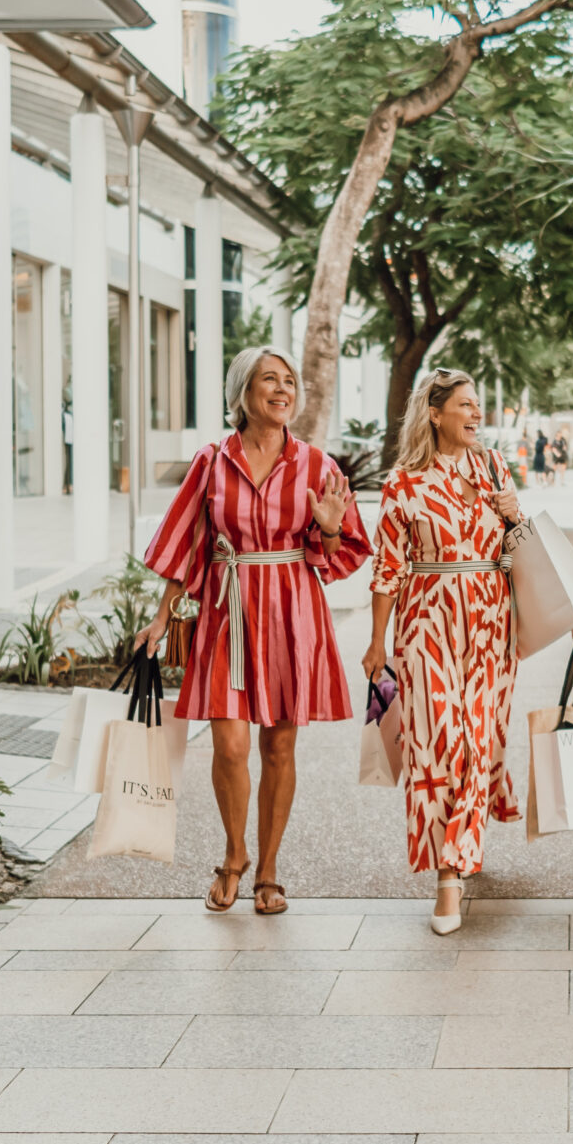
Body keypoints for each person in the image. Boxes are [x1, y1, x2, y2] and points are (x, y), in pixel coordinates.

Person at [141, 346, 368, 914]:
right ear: (243, 391)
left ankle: (268, 868)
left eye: (289, 381)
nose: (283, 389)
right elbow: (187, 542)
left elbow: (342, 553)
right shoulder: (212, 461)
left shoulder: (318, 465)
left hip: (293, 609)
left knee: (280, 746)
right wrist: (163, 613)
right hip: (229, 607)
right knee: (230, 745)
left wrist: (332, 531)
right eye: (270, 379)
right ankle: (234, 852)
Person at [362, 370, 525, 935]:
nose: (476, 414)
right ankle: (447, 877)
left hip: (490, 622)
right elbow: (388, 567)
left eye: (478, 404)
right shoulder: (403, 483)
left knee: (477, 740)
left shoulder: (493, 469)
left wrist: (515, 513)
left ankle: (455, 863)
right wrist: (377, 642)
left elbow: (517, 549)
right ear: (435, 413)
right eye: (465, 405)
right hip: (425, 625)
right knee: (438, 744)